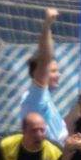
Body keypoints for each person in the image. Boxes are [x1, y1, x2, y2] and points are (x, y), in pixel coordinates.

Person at [20, 9, 67, 137]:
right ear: (39, 72)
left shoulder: (44, 96)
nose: (58, 75)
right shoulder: (36, 96)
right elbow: (45, 57)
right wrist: (47, 26)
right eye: (53, 71)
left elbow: (60, 131)